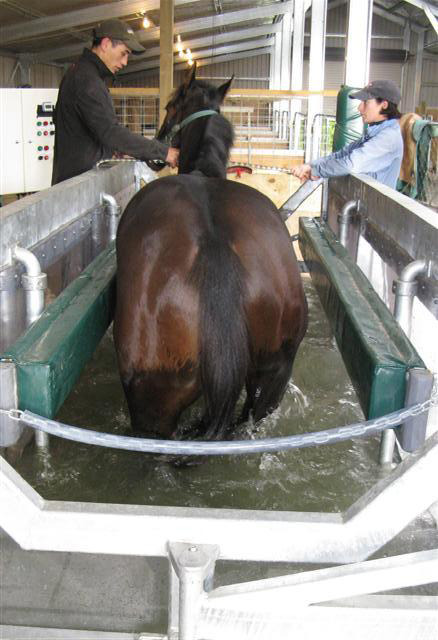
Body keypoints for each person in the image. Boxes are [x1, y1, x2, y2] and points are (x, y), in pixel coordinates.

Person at [52, 19, 179, 184]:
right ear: (105, 44)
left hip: (76, 178)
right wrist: (164, 152)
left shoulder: (84, 73)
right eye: (123, 53)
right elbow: (110, 132)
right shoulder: (87, 80)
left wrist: (113, 152)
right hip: (76, 186)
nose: (125, 62)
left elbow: (91, 131)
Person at [291, 80, 403, 189]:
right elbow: (341, 155)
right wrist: (311, 166)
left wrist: (315, 170)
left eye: (366, 102)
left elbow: (350, 164)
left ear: (383, 105)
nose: (359, 108)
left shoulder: (389, 137)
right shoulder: (375, 132)